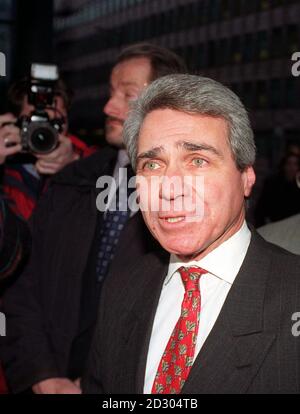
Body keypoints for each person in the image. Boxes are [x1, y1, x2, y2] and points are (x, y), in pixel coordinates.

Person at [82, 74, 300, 394]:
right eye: (152, 165)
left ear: (246, 177)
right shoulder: (121, 289)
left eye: (197, 161)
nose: (169, 189)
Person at [0, 43, 186, 394]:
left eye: (127, 95)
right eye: (110, 92)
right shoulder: (71, 181)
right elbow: (22, 286)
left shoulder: (192, 200)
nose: (108, 107)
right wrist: (42, 375)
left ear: (166, 104)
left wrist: (94, 385)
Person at [0, 77, 96, 221]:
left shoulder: (97, 162)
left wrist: (76, 165)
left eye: (54, 123)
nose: (44, 131)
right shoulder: (7, 166)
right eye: (36, 121)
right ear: (16, 122)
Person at [254, 153, 300, 227]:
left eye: (295, 164)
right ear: (284, 166)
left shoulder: (298, 186)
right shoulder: (272, 184)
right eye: (289, 164)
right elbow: (261, 210)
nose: (291, 168)